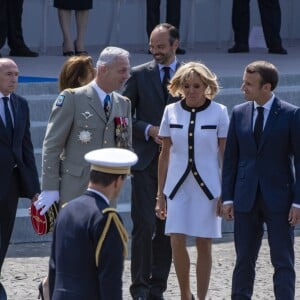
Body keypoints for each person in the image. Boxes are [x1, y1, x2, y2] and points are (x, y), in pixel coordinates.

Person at [34, 46, 132, 300]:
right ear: (103, 69)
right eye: (122, 70)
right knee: (68, 250)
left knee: (97, 247)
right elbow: (52, 143)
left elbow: (125, 146)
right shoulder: (73, 97)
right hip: (74, 185)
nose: (126, 76)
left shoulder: (123, 103)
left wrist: (122, 177)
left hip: (107, 188)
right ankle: (50, 290)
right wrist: (49, 187)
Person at [221, 60, 300, 299]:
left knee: (282, 261)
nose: (243, 87)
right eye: (244, 82)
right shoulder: (238, 113)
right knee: (243, 261)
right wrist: (228, 198)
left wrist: (298, 202)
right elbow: (231, 160)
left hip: (280, 200)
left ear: (267, 87)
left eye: (249, 84)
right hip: (245, 199)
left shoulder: (291, 114)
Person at [156, 62, 229, 300]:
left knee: (204, 243)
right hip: (177, 188)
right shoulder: (171, 111)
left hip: (208, 189)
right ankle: (185, 295)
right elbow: (164, 154)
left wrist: (225, 194)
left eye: (196, 86)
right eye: (186, 86)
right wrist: (160, 195)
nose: (191, 91)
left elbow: (224, 157)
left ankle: (202, 296)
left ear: (207, 86)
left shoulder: (219, 112)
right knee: (176, 239)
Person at [122, 23, 182, 300]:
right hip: (146, 162)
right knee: (144, 225)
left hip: (179, 163)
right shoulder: (138, 75)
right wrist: (149, 130)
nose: (155, 52)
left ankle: (158, 286)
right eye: (152, 46)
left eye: (160, 46)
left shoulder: (189, 76)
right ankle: (139, 288)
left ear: (174, 44)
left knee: (168, 227)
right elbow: (124, 116)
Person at [48, 147, 138, 300]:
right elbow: (110, 280)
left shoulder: (66, 210)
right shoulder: (106, 218)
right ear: (117, 181)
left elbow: (53, 268)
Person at [0, 58, 40, 298]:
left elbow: (26, 147)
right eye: (8, 74)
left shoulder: (21, 104)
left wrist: (33, 188)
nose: (14, 79)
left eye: (16, 74)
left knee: (4, 235)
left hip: (12, 184)